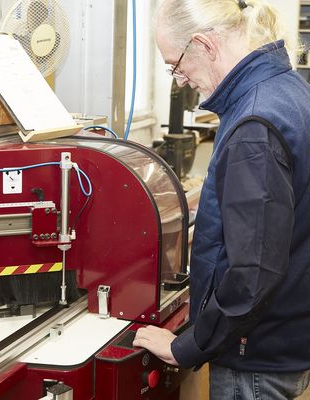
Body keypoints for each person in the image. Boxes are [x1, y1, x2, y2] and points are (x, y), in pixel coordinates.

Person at [132, 0, 310, 399]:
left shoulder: (254, 122)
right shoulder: (285, 88)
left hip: (254, 355)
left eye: (176, 66)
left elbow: (254, 273)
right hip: (286, 336)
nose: (180, 81)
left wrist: (188, 346)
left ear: (204, 45)